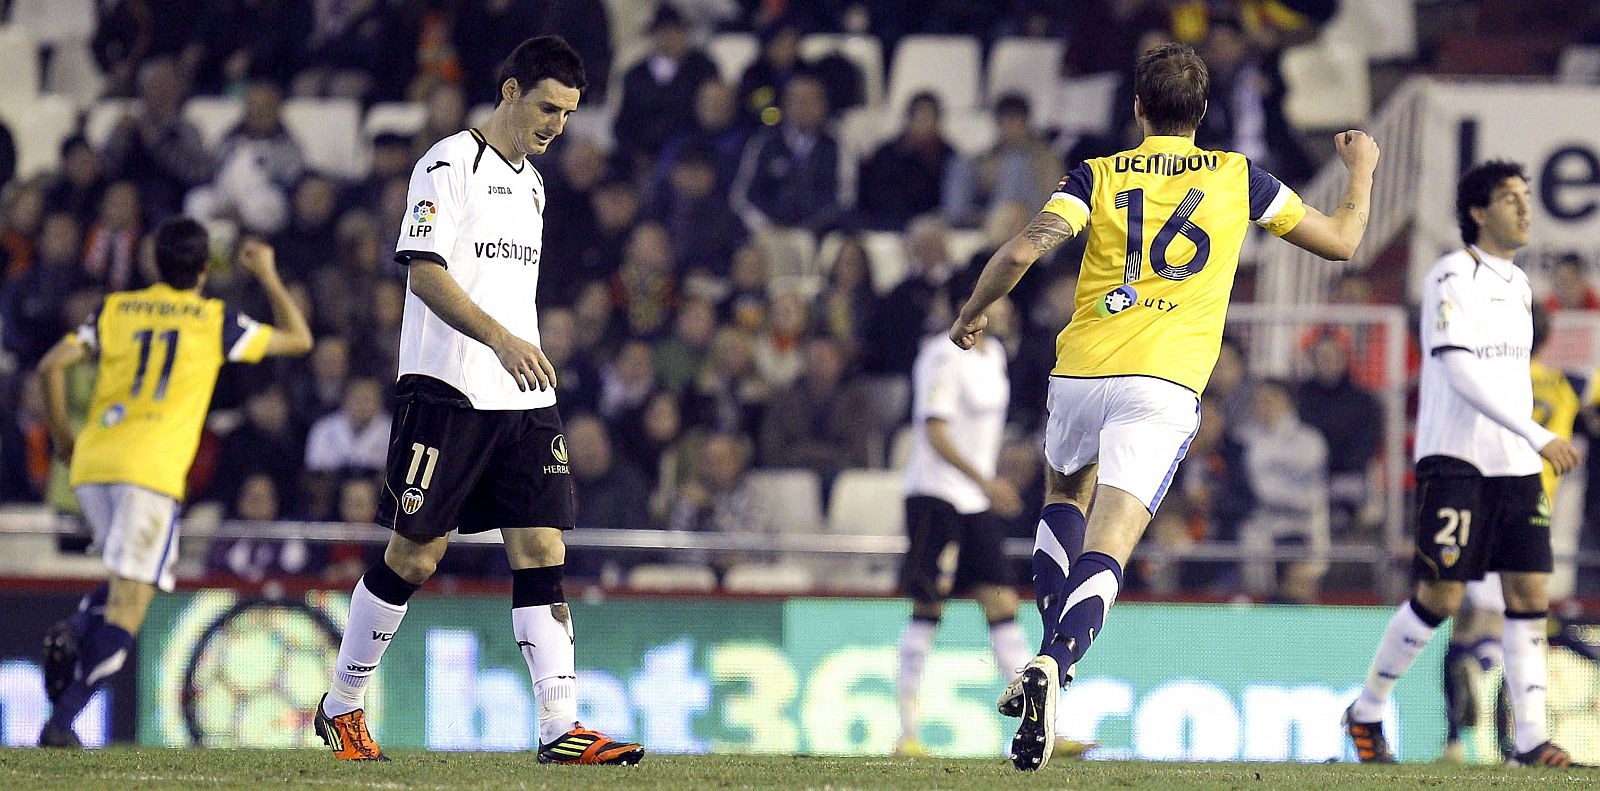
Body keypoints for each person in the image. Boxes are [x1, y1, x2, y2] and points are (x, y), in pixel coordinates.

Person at [948, 43, 1379, 770]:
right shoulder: (1239, 176)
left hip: (1082, 369)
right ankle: (1055, 663)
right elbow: (1341, 240)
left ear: (1138, 109)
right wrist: (1360, 170)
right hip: (1164, 382)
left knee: (1062, 494)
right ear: (1204, 114)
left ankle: (1051, 660)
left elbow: (1022, 251)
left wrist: (972, 310)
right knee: (1110, 542)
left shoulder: (1100, 174)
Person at [312, 36, 645, 766]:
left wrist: (515, 348)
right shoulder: (446, 163)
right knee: (417, 553)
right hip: (448, 386)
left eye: (568, 113)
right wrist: (499, 338)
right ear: (510, 90)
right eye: (549, 107)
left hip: (521, 393)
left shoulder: (535, 183)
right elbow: (424, 273)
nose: (557, 124)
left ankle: (561, 727)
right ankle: (342, 703)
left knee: (543, 547)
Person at [34, 221, 313, 748]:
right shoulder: (213, 319)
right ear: (205, 270)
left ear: (153, 264)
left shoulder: (116, 309)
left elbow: (51, 366)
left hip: (93, 465)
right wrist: (269, 276)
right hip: (151, 471)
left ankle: (76, 631)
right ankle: (62, 720)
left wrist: (65, 440)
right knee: (132, 606)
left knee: (131, 582)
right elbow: (299, 337)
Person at [1343, 161, 1581, 768]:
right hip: (1456, 462)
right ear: (1478, 212)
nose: (1525, 208)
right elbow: (1456, 368)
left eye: (1527, 198)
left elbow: (1509, 378)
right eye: (1510, 198)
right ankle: (1367, 709)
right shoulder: (1453, 275)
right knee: (1441, 597)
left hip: (1514, 466)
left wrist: (1526, 443)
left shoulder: (1521, 286)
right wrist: (1537, 432)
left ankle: (1530, 740)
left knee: (1530, 592)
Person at [1438, 303, 1580, 763]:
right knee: (1515, 620)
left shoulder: (1486, 379)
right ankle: (1507, 724)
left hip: (1479, 496)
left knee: (1472, 621)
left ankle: (1459, 735)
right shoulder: (1570, 384)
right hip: (1534, 502)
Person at [895, 294, 1030, 757]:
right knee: (929, 605)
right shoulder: (942, 353)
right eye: (997, 296)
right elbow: (935, 430)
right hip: (937, 496)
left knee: (1000, 599)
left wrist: (989, 482)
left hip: (975, 500)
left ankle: (1038, 723)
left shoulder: (997, 357)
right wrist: (987, 481)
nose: (1006, 306)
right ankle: (907, 734)